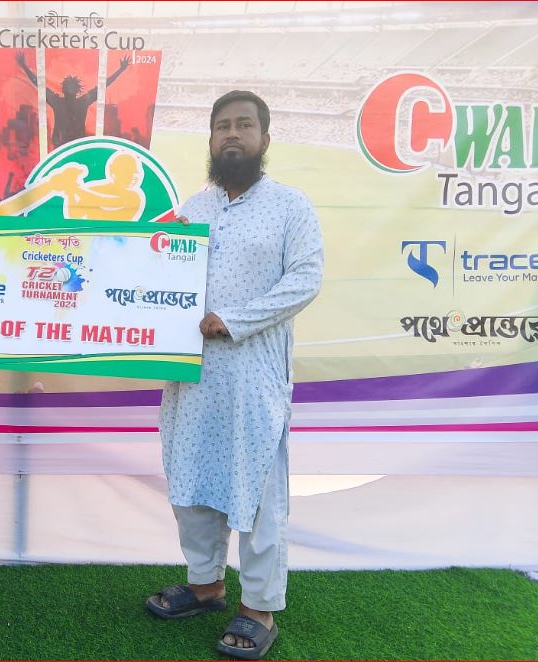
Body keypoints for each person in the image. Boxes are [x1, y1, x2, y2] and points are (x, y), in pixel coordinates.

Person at [145, 91, 324, 659]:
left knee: (258, 491)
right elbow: (150, 275)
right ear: (210, 138)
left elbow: (306, 279)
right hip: (191, 375)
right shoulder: (191, 210)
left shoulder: (291, 206)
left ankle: (260, 607)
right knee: (191, 478)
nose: (231, 134)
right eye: (222, 125)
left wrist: (234, 320)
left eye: (244, 125)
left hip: (252, 376)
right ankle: (205, 585)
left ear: (264, 139)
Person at [15, 51, 129, 147]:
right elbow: (38, 85)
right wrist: (24, 66)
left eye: (71, 87)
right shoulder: (74, 102)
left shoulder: (66, 102)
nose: (70, 90)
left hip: (71, 146)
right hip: (65, 146)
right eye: (68, 86)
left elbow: (103, 86)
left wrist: (121, 69)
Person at [0, 151, 144, 220]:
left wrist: (73, 187)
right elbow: (75, 215)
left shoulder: (133, 197)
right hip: (86, 244)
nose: (134, 175)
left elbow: (103, 201)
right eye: (128, 171)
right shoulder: (92, 189)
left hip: (118, 246)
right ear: (113, 171)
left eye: (135, 172)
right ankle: (4, 212)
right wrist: (69, 191)